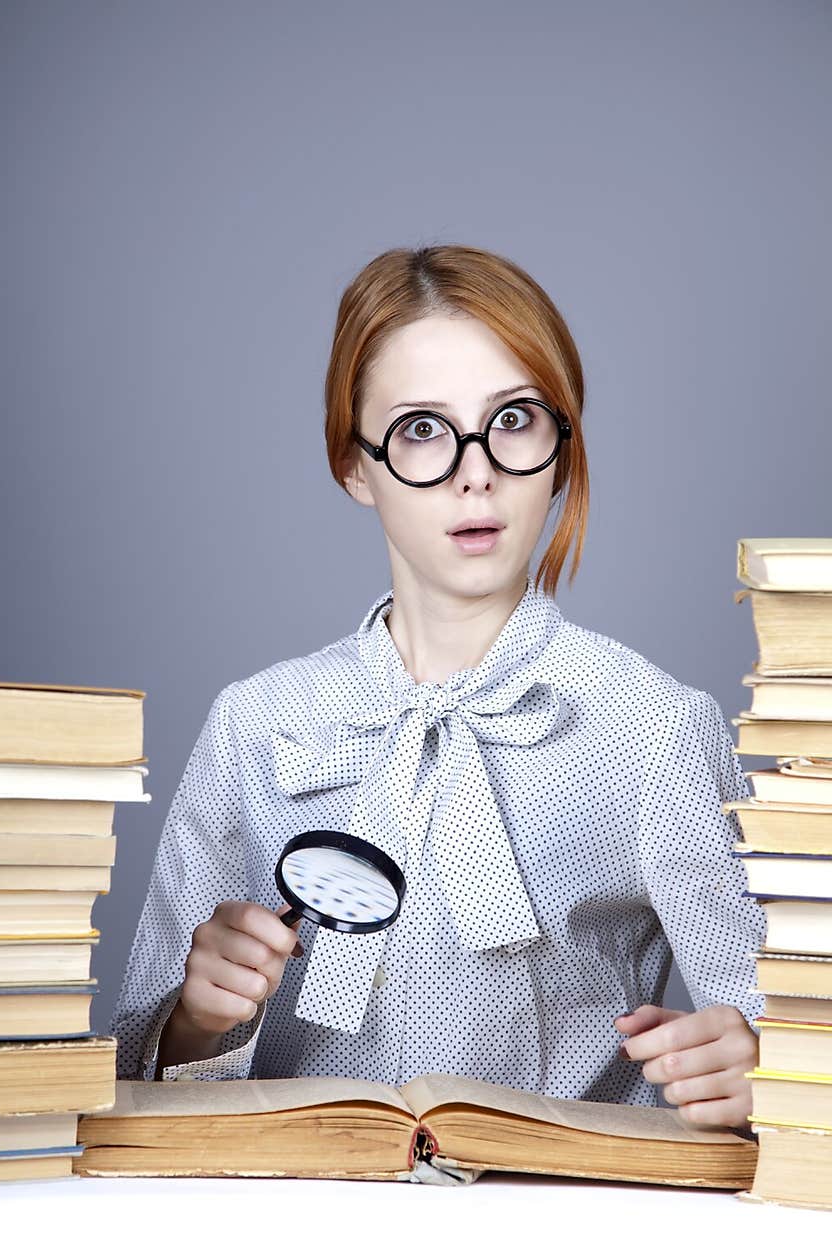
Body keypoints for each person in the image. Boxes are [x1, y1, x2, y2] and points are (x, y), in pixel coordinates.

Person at [108, 243, 765, 1132]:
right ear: (355, 465)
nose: (474, 471)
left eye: (514, 420)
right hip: (292, 1216)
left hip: (579, 1231)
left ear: (562, 445)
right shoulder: (255, 725)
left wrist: (755, 1064)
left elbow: (781, 1032)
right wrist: (195, 1018)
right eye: (421, 429)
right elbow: (131, 1076)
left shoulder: (653, 727)